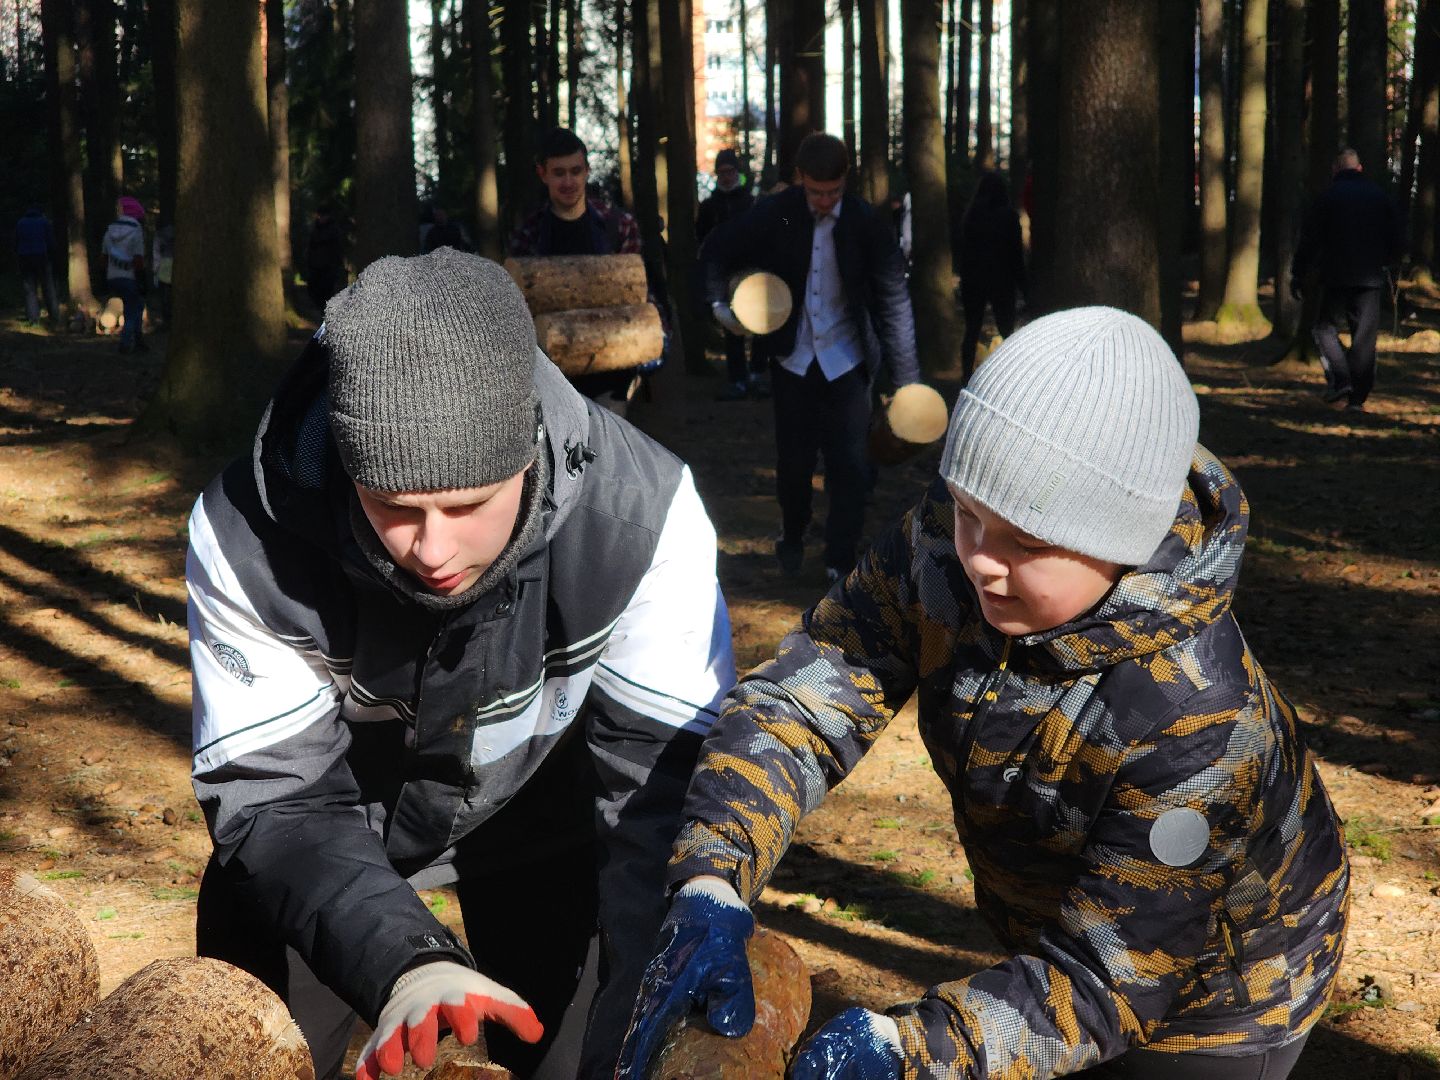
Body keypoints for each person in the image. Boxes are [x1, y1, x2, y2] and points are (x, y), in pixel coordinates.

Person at [618, 306, 1350, 1080]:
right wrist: (712, 876)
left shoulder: (1202, 725)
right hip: (1052, 940)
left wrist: (908, 1053)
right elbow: (812, 693)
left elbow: (1106, 982)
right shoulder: (952, 541)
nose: (980, 562)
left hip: (1218, 1005)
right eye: (968, 514)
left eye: (1026, 544)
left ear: (1121, 541)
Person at [186, 249, 736, 1080]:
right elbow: (279, 800)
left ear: (530, 448)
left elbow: (657, 797)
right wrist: (407, 960)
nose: (433, 549)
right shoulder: (245, 537)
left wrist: (640, 1017)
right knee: (253, 1053)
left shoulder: (645, 518)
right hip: (321, 837)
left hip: (539, 819)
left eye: (471, 504)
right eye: (394, 508)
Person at [702, 132, 919, 584]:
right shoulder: (773, 214)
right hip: (792, 361)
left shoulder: (867, 224)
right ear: (801, 179)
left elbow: (893, 300)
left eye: (834, 191)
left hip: (848, 362)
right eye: (817, 191)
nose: (824, 201)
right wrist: (721, 306)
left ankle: (840, 556)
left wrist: (907, 380)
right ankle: (793, 535)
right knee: (794, 464)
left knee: (852, 466)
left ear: (845, 181)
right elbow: (717, 250)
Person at [509, 127, 654, 412]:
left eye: (575, 171)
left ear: (587, 171)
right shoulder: (530, 233)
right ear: (543, 174)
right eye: (559, 172)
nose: (568, 181)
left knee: (607, 456)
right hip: (552, 382)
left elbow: (642, 295)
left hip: (613, 379)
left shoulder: (619, 226)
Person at [1290, 147, 1403, 412]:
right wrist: (1389, 262)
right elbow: (1397, 235)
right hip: (1371, 277)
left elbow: (1310, 240)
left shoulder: (1327, 198)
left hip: (1336, 275)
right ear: (1360, 169)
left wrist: (1299, 273)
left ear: (1335, 170)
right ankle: (1357, 399)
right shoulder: (1380, 197)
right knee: (1364, 336)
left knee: (1323, 328)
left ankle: (1341, 379)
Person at [696, 149, 764, 402]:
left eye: (730, 172)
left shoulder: (752, 203)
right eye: (721, 172)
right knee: (732, 327)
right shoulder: (709, 207)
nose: (726, 177)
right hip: (724, 276)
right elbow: (702, 239)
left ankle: (757, 373)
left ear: (738, 172)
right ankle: (737, 379)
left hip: (752, 272)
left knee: (761, 323)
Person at [956, 171, 1026, 381]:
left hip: (973, 281)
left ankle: (966, 377)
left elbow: (964, 253)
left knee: (971, 331)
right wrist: (1025, 287)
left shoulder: (970, 217)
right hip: (1002, 281)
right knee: (1007, 332)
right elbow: (1016, 255)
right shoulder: (1009, 217)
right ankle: (1011, 377)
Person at [102, 195, 147, 353]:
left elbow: (104, 255)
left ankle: (137, 340)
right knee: (133, 308)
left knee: (135, 305)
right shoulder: (136, 229)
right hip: (129, 276)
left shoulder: (110, 229)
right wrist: (141, 277)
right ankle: (127, 342)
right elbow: (138, 258)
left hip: (112, 275)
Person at [15, 204, 59, 326]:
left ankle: (33, 318)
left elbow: (17, 241)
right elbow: (50, 241)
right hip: (42, 257)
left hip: (25, 258)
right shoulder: (44, 222)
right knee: (48, 287)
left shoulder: (21, 223)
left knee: (30, 289)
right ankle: (54, 315)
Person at [305, 204, 347, 312]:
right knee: (315, 292)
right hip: (315, 266)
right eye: (319, 216)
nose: (320, 218)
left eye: (323, 216)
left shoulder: (334, 230)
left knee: (326, 292)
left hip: (328, 267)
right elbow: (310, 247)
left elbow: (338, 249)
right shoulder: (315, 229)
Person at [152, 219, 176, 326]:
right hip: (173, 264)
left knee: (164, 296)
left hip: (163, 267)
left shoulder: (159, 236)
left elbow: (156, 253)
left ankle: (167, 320)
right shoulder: (177, 232)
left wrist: (155, 270)